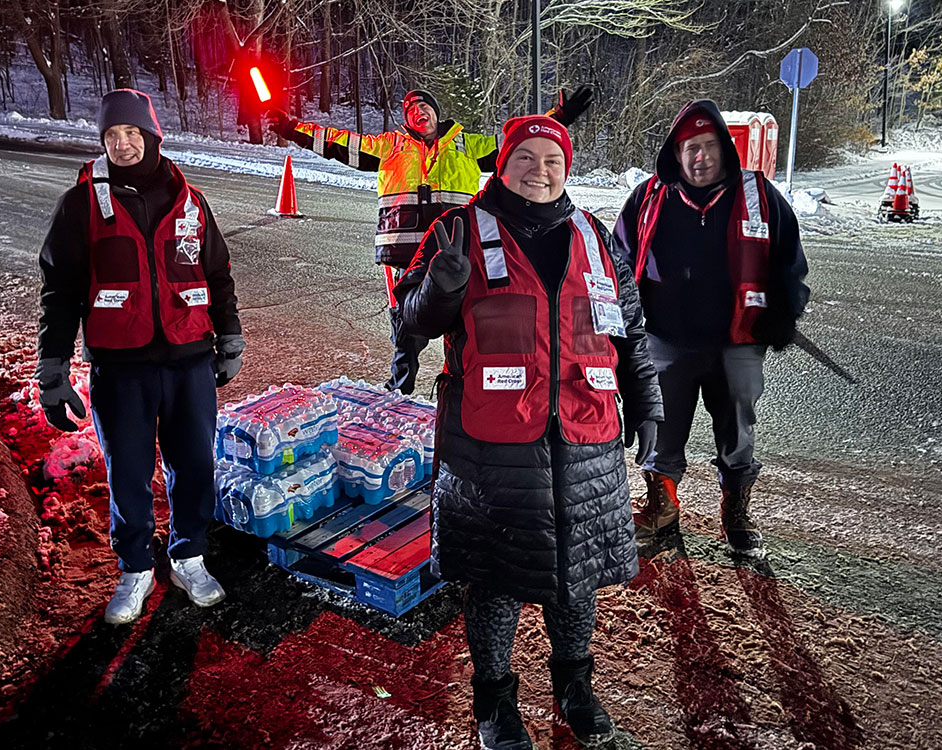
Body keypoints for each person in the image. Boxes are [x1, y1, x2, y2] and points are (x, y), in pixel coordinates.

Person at [395, 115, 663, 750]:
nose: (538, 170)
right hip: (492, 448)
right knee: (496, 580)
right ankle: (494, 703)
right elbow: (408, 321)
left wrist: (647, 403)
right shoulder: (458, 230)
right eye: (525, 158)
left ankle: (575, 688)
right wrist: (439, 288)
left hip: (585, 440)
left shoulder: (595, 236)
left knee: (576, 577)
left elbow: (628, 331)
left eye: (552, 159)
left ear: (565, 168)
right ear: (503, 163)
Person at [36, 89, 245, 625]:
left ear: (153, 137)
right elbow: (59, 293)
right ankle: (135, 568)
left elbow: (216, 275)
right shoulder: (81, 204)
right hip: (121, 366)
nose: (123, 144)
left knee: (194, 464)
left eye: (132, 134)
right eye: (112, 136)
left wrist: (230, 338)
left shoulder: (191, 201)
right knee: (129, 471)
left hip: (189, 360)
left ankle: (188, 556)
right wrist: (52, 370)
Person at [267, 87, 593, 395]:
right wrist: (291, 127)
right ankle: (400, 392)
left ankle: (466, 392)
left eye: (423, 106)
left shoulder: (467, 145)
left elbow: (518, 141)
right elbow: (340, 141)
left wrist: (558, 118)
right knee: (407, 329)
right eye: (410, 110)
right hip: (405, 254)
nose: (417, 112)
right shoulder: (390, 146)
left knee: (467, 324)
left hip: (457, 251)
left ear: (436, 114)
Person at [612, 99, 810, 559]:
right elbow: (618, 263)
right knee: (659, 428)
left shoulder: (758, 195)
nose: (700, 157)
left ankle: (736, 510)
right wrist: (620, 324)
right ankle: (662, 508)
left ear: (725, 148)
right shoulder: (647, 199)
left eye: (709, 146)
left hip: (737, 340)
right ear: (675, 155)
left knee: (738, 427)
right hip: (663, 339)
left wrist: (786, 310)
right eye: (689, 148)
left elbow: (790, 262)